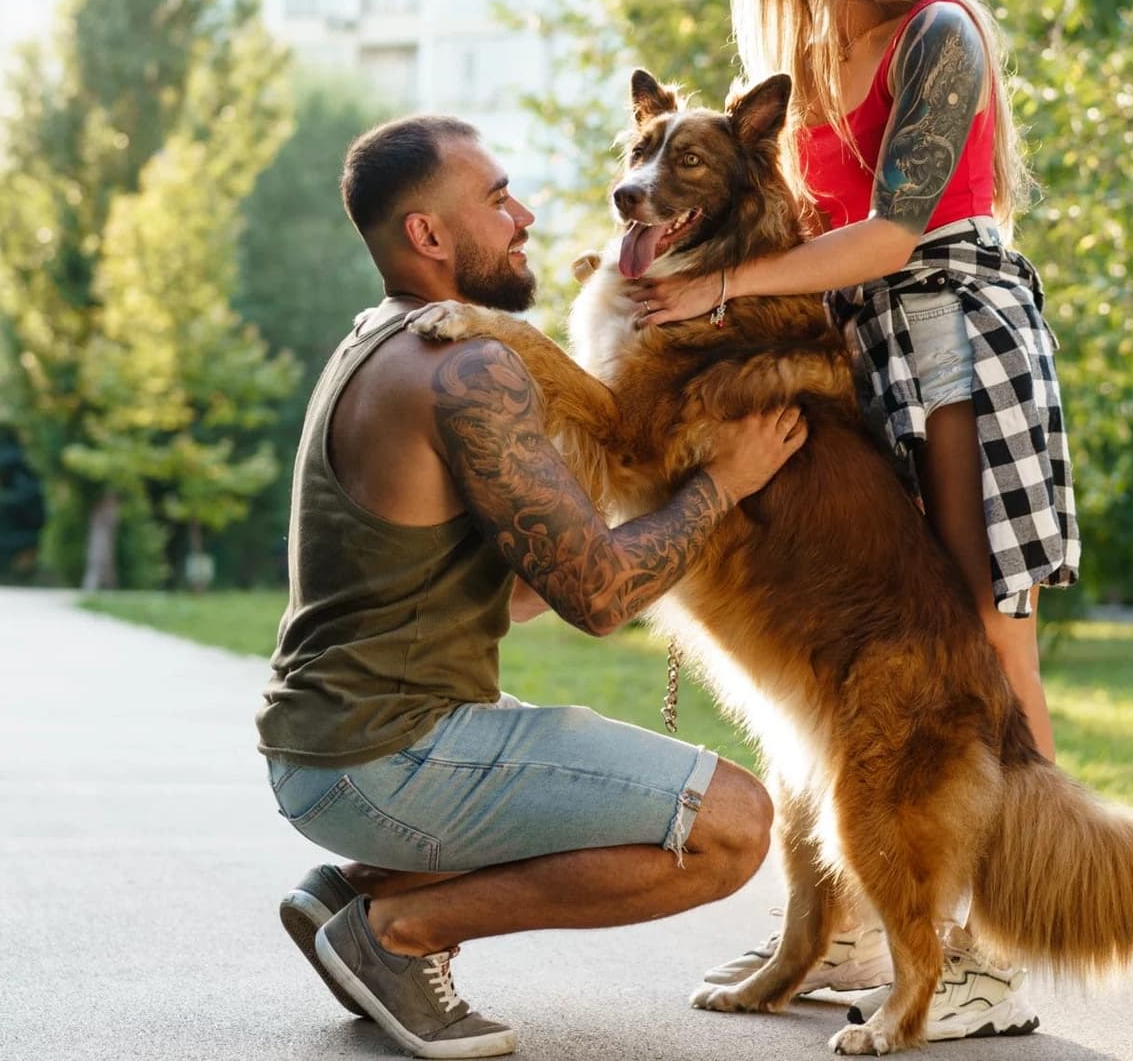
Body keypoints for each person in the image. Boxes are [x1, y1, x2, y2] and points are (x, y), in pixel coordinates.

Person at [629, 0, 1078, 1043]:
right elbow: (774, 234)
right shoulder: (797, 62)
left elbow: (891, 233)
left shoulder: (940, 31)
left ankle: (995, 953)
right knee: (871, 634)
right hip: (857, 352)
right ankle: (858, 927)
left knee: (990, 642)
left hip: (958, 340)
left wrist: (717, 290)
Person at [257, 114, 809, 1059]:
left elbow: (523, 591)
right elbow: (599, 600)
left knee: (633, 779)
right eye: (498, 198)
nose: (526, 216)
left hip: (326, 748)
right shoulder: (468, 367)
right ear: (428, 234)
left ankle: (352, 894)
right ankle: (396, 935)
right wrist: (722, 485)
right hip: (388, 758)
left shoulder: (377, 339)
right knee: (730, 827)